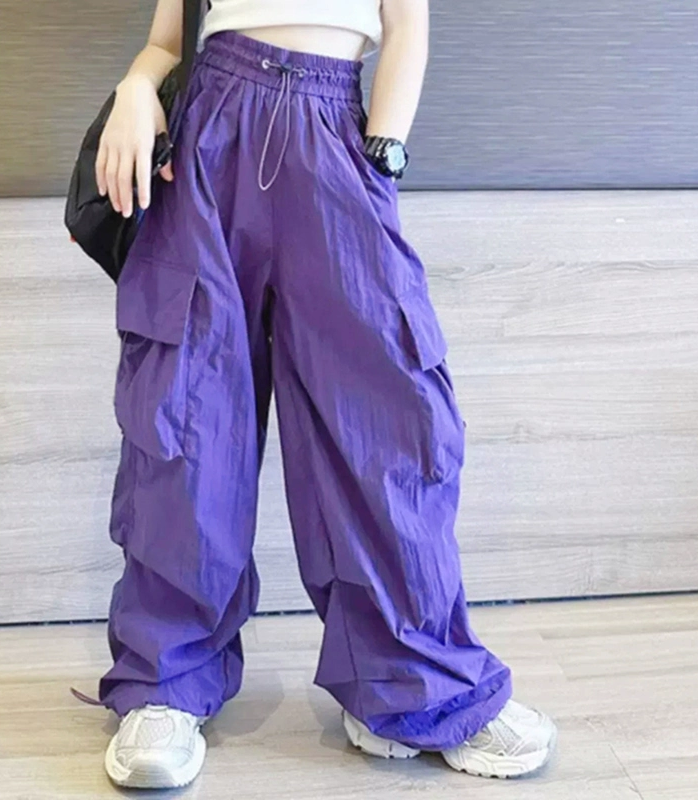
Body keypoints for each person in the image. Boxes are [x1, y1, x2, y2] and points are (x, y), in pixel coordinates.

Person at [89, 0, 558, 789]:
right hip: (209, 135)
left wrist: (382, 153)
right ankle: (164, 684)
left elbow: (407, 27)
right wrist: (138, 88)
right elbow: (166, 40)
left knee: (388, 419)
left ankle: (410, 686)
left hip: (338, 131)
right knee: (187, 414)